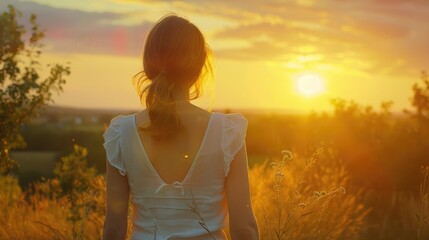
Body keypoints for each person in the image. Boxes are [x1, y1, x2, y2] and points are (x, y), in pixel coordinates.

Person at [102, 14, 259, 240]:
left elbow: (114, 230)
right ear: (198, 68)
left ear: (149, 63)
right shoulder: (226, 133)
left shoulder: (121, 134)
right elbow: (244, 229)